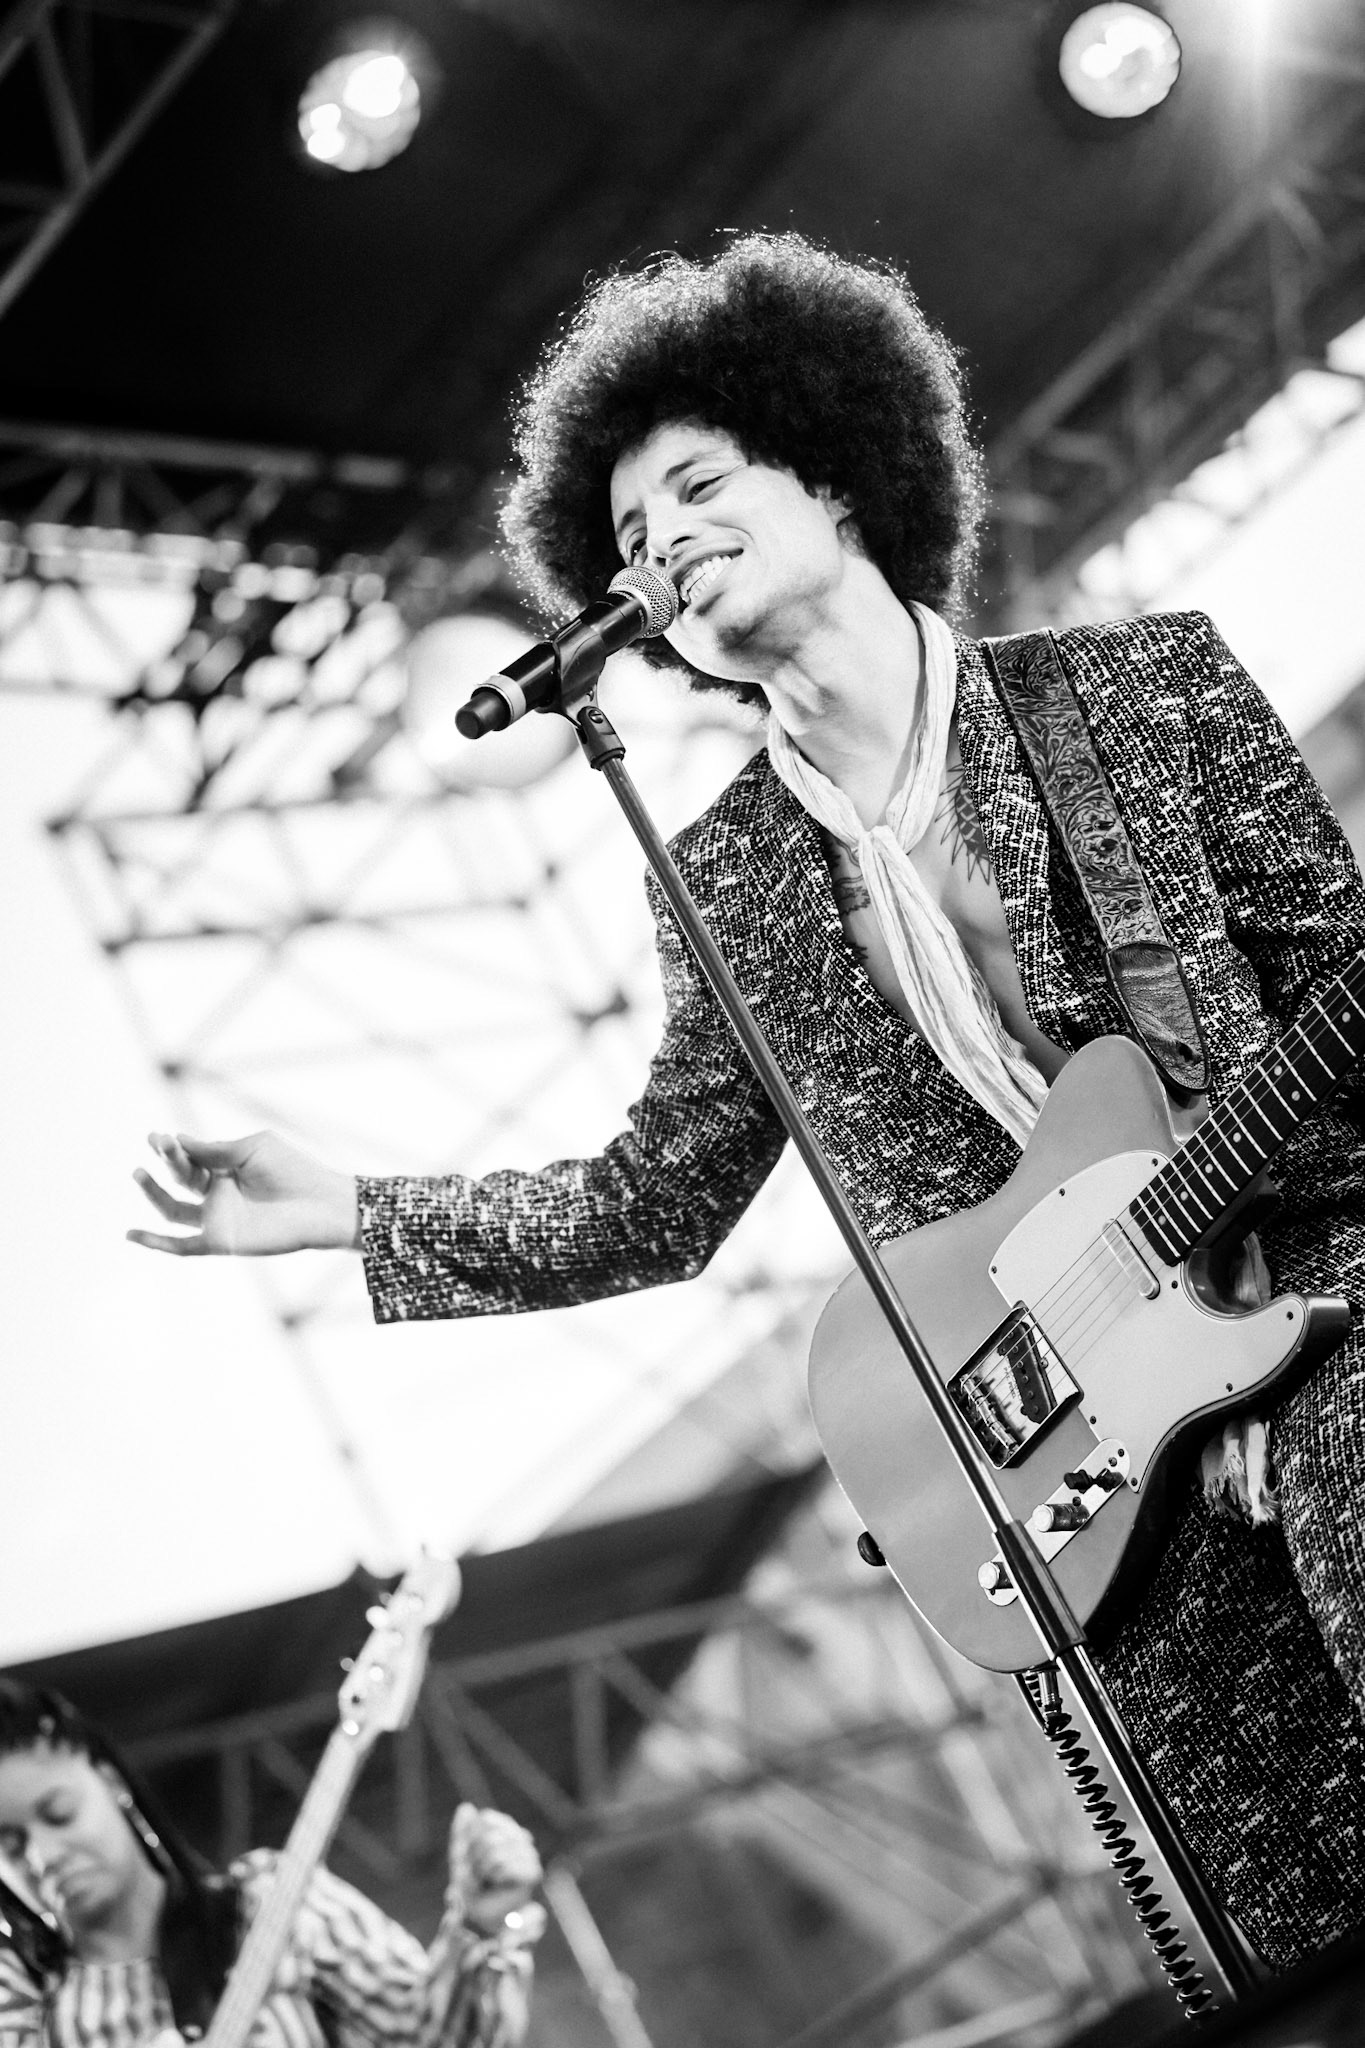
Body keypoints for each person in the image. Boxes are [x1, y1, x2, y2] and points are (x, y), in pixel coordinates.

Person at [129, 234, 1365, 1970]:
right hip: (1071, 1454)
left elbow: (1341, 1003)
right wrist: (348, 1203)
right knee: (1295, 1924)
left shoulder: (1140, 690)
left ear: (840, 475)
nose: (661, 545)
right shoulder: (726, 882)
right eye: (626, 537)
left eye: (699, 485)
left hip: (1327, 1300)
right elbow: (656, 1195)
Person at [0, 1681, 543, 2048]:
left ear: (112, 1782)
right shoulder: (36, 2018)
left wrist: (479, 1926)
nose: (44, 1855)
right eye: (11, 1846)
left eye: (60, 1813)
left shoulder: (267, 1902)